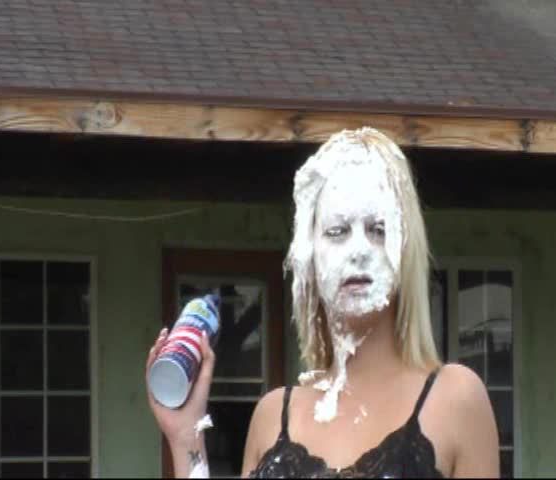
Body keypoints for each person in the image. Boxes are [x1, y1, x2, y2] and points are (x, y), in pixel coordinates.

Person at [147, 127, 500, 478]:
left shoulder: (454, 399)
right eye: (337, 231)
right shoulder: (272, 416)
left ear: (405, 249)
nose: (358, 251)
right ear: (309, 256)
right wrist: (186, 437)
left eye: (378, 230)